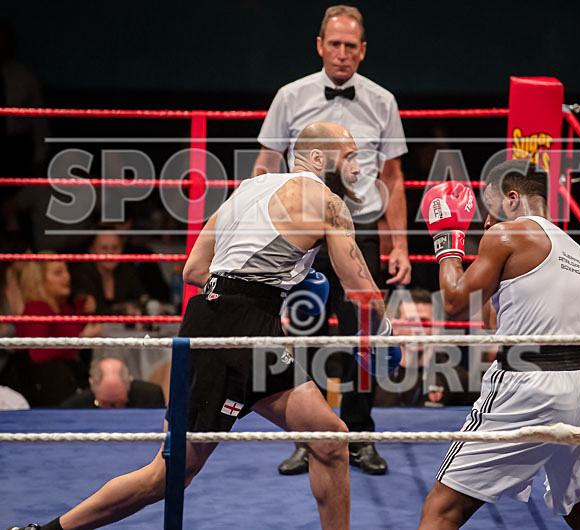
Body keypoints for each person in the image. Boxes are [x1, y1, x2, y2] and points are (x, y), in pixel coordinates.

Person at [8, 122, 397, 530]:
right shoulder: (327, 202)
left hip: (229, 322)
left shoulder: (246, 190)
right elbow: (359, 286)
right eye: (350, 156)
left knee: (330, 439)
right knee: (168, 474)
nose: (358, 167)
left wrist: (286, 279)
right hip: (239, 330)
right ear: (319, 158)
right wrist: (384, 334)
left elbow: (195, 270)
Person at [417, 160, 580, 529]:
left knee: (441, 509)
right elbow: (494, 322)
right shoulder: (572, 248)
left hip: (531, 386)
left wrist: (447, 240)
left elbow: (456, 303)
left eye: (490, 210)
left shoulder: (507, 235)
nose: (487, 224)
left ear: (512, 198)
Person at [255, 5, 409, 475]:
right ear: (320, 46)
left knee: (361, 331)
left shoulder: (382, 101)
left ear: (362, 51)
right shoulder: (290, 96)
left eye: (351, 46)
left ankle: (360, 437)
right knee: (303, 331)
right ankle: (309, 436)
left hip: (355, 229)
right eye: (334, 44)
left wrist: (397, 243)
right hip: (299, 231)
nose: (342, 53)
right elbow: (265, 163)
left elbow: (393, 177)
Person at [14, 259, 101, 406]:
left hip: (67, 379)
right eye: (58, 273)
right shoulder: (36, 309)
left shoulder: (62, 308)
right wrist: (79, 339)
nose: (67, 276)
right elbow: (38, 354)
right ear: (39, 280)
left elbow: (79, 334)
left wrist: (86, 312)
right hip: (44, 387)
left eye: (66, 271)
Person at [71, 231, 147, 315]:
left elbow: (142, 299)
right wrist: (122, 309)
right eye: (104, 248)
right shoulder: (83, 273)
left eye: (115, 248)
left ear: (122, 249)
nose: (110, 253)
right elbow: (94, 310)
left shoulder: (126, 269)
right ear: (92, 250)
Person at [61, 358, 164, 409]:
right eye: (104, 403)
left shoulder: (151, 397)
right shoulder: (74, 408)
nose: (113, 411)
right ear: (92, 386)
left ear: (129, 383)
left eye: (119, 403)